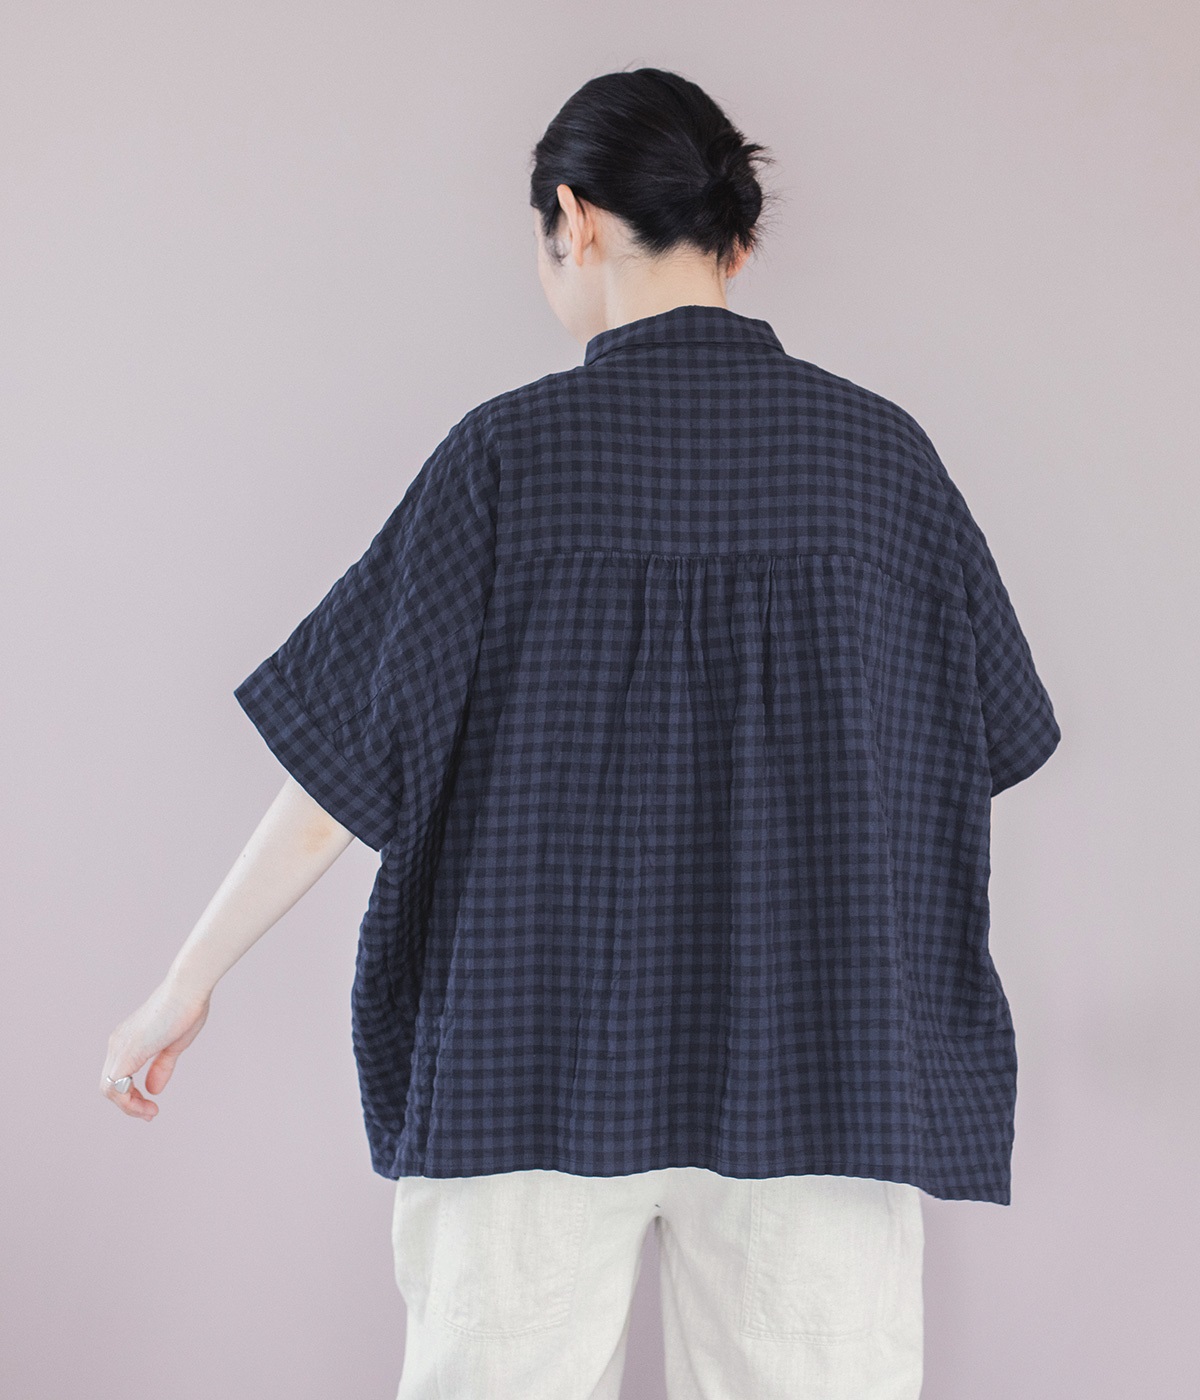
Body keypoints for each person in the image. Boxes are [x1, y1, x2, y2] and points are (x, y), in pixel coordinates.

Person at [101, 66, 1061, 1400]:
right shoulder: (881, 465)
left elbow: (346, 772)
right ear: (734, 239)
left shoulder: (507, 459)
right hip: (825, 1063)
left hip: (528, 1055)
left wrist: (188, 978)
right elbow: (976, 746)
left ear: (576, 216)